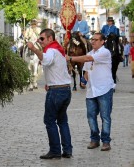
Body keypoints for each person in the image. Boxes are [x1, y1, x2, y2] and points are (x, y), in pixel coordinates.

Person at [27, 28, 73, 159]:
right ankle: (67, 150)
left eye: (42, 39)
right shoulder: (58, 50)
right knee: (62, 121)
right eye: (39, 38)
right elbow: (58, 69)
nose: (39, 41)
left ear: (50, 39)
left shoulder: (52, 50)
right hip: (64, 88)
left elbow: (46, 60)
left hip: (57, 91)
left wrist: (34, 49)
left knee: (49, 121)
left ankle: (55, 151)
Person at [65, 32, 114, 151]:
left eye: (96, 40)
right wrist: (84, 80)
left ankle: (106, 141)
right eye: (92, 39)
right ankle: (94, 139)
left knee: (105, 116)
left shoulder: (105, 52)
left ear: (102, 42)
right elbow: (87, 70)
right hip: (91, 90)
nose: (93, 41)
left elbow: (87, 59)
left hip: (104, 89)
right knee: (91, 116)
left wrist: (70, 58)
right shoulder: (90, 52)